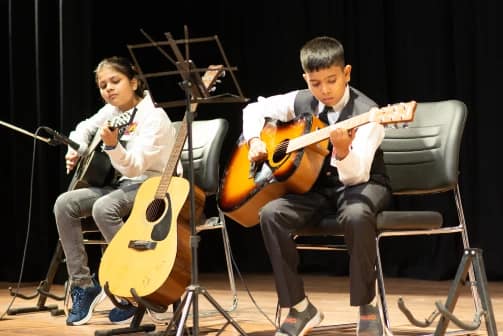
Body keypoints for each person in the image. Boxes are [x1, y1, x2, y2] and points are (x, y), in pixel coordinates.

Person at [242, 36, 391, 336]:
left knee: (356, 215)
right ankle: (299, 307)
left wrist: (343, 151)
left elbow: (355, 175)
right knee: (271, 214)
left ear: (347, 73)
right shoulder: (301, 100)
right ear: (305, 79)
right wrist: (255, 139)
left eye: (331, 81)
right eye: (315, 83)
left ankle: (368, 307)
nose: (324, 90)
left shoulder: (369, 113)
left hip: (362, 184)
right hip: (316, 188)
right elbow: (252, 110)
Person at [53, 56, 180, 326]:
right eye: (102, 85)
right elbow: (84, 127)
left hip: (155, 183)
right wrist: (74, 149)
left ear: (133, 82)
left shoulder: (153, 116)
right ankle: (84, 286)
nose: (108, 89)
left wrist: (112, 147)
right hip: (122, 183)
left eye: (115, 81)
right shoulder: (112, 112)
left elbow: (134, 168)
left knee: (104, 207)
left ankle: (134, 284)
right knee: (64, 204)